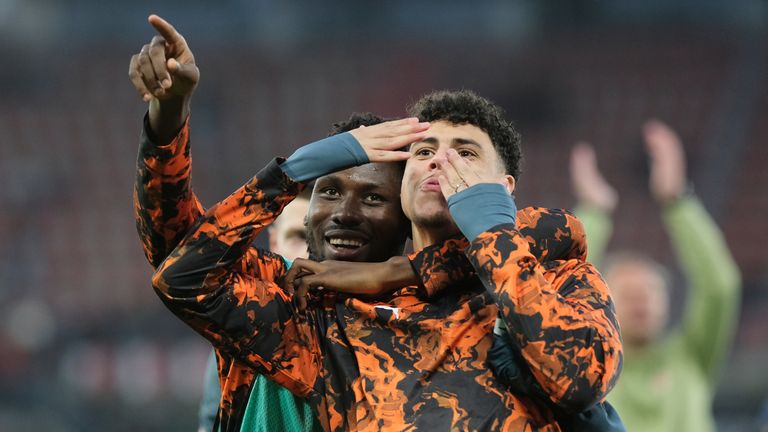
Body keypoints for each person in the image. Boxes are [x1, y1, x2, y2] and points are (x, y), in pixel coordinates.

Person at [151, 74, 623, 429]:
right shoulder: (332, 315)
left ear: (505, 187)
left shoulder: (561, 279)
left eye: (466, 152)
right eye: (424, 152)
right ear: (405, 191)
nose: (441, 159)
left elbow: (579, 379)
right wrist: (291, 172)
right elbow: (184, 276)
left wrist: (488, 235)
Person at [569, 120, 741, 432]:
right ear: (602, 305)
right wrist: (594, 212)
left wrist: (678, 202)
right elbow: (559, 293)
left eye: (649, 290)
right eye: (629, 293)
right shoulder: (588, 368)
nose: (641, 300)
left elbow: (719, 287)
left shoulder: (692, 356)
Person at [197, 189, 312, 432]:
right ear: (273, 242)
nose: (307, 254)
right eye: (298, 237)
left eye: (316, 239)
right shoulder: (237, 333)